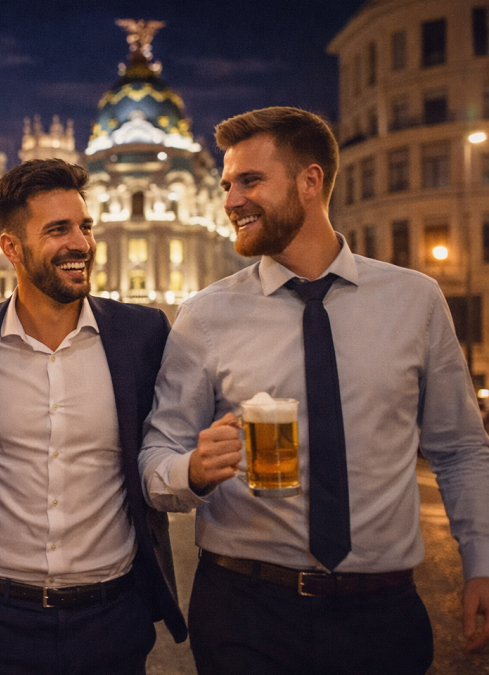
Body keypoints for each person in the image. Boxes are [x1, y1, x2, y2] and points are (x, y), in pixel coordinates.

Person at [139, 106, 489, 674]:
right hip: (242, 610)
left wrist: (481, 562)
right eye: (227, 184)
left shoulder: (415, 301)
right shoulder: (205, 314)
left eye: (250, 181)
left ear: (310, 181)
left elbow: (459, 449)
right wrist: (194, 471)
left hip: (382, 615)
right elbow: (156, 458)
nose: (230, 201)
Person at [0, 158, 187, 674]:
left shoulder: (142, 335)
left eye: (85, 227)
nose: (81, 243)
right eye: (57, 230)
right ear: (11, 247)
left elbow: (166, 448)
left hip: (110, 618)